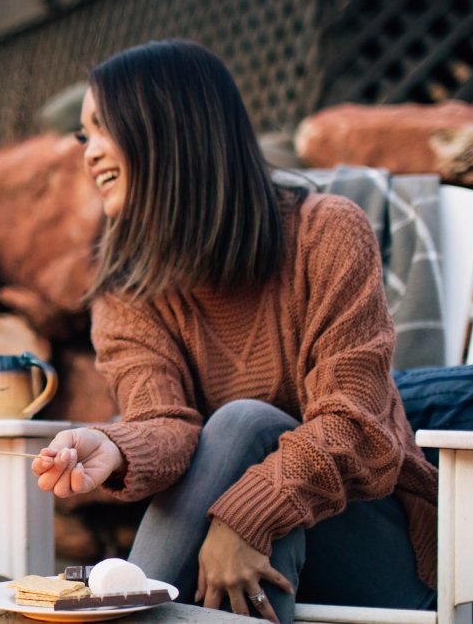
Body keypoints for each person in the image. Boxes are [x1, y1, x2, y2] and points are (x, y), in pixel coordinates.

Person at [33, 40, 437, 624]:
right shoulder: (126, 290)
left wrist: (244, 516)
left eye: (103, 129)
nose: (89, 153)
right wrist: (117, 444)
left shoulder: (326, 234)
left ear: (173, 127)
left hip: (377, 552)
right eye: (83, 137)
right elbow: (165, 424)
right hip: (259, 545)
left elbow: (355, 425)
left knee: (247, 422)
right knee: (250, 462)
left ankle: (113, 615)